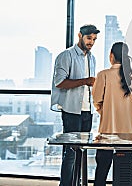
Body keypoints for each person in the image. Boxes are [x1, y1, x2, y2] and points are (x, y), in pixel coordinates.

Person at [50, 24, 100, 186]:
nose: (91, 42)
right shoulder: (66, 56)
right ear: (80, 36)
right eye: (89, 38)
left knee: (82, 152)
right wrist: (85, 81)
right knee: (70, 152)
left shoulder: (92, 58)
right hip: (72, 111)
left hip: (88, 111)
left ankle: (77, 183)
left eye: (94, 39)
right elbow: (60, 82)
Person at [92, 42, 132, 186]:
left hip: (108, 132)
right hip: (128, 134)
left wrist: (106, 114)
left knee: (101, 172)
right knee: (125, 175)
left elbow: (97, 101)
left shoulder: (103, 75)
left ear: (111, 56)